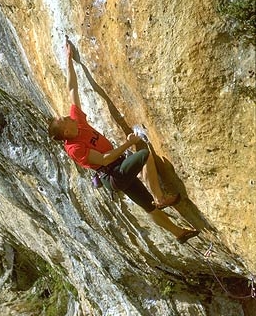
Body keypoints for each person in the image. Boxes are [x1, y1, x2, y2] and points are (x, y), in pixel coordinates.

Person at [48, 37, 199, 244]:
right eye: (64, 120)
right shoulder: (74, 148)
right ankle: (160, 197)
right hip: (113, 175)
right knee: (144, 155)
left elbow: (72, 89)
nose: (67, 116)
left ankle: (179, 234)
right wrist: (130, 142)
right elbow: (103, 159)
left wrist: (68, 61)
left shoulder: (77, 120)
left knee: (148, 207)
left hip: (118, 169)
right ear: (65, 132)